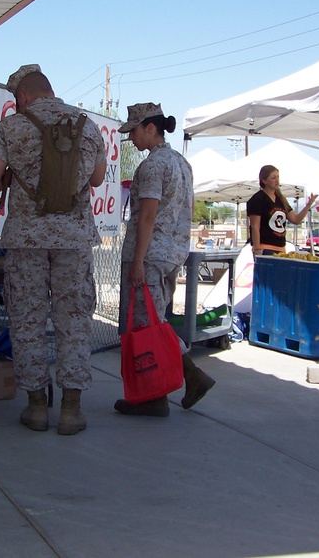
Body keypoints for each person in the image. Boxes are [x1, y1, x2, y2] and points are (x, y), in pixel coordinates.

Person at [0, 64, 107, 435]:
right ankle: (71, 410)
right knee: (74, 321)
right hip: (74, 239)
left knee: (29, 321)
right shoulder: (87, 125)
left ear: (22, 97)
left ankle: (36, 408)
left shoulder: (12, 126)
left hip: (26, 241)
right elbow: (96, 178)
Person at [114, 102, 215, 417]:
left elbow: (147, 216)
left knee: (149, 326)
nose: (131, 138)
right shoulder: (182, 163)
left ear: (150, 127)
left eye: (134, 130)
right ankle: (157, 391)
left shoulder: (153, 166)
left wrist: (138, 261)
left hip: (152, 255)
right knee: (155, 322)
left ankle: (173, 386)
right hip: (173, 253)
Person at [246, 165, 317, 256]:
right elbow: (255, 226)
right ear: (264, 181)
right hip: (266, 247)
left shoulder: (281, 199)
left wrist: (308, 206)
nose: (277, 180)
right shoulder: (258, 199)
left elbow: (296, 219)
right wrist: (257, 248)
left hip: (280, 247)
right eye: (273, 177)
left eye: (278, 177)